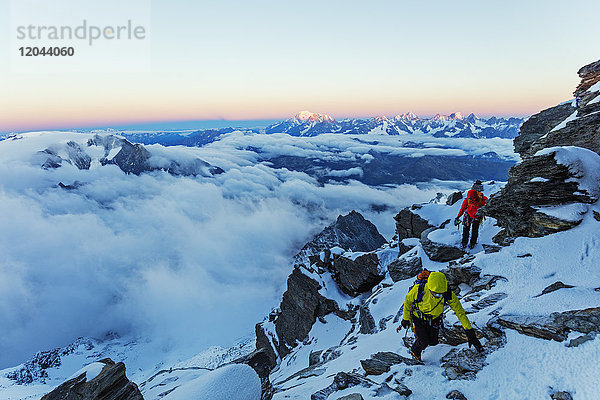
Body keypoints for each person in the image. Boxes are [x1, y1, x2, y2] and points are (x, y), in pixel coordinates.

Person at [398, 271, 483, 361]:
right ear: (429, 287)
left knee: (433, 342)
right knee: (423, 341)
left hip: (435, 319)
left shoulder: (447, 293)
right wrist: (406, 318)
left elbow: (460, 312)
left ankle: (421, 338)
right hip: (419, 318)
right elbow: (407, 302)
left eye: (440, 294)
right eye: (435, 293)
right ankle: (415, 352)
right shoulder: (418, 290)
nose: (438, 296)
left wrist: (470, 332)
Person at [454, 180, 487, 250]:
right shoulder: (467, 200)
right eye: (469, 198)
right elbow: (462, 209)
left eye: (472, 198)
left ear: (476, 196)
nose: (471, 200)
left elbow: (487, 205)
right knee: (466, 230)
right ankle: (464, 243)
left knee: (474, 230)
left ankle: (472, 243)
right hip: (469, 216)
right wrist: (458, 216)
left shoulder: (482, 199)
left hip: (476, 216)